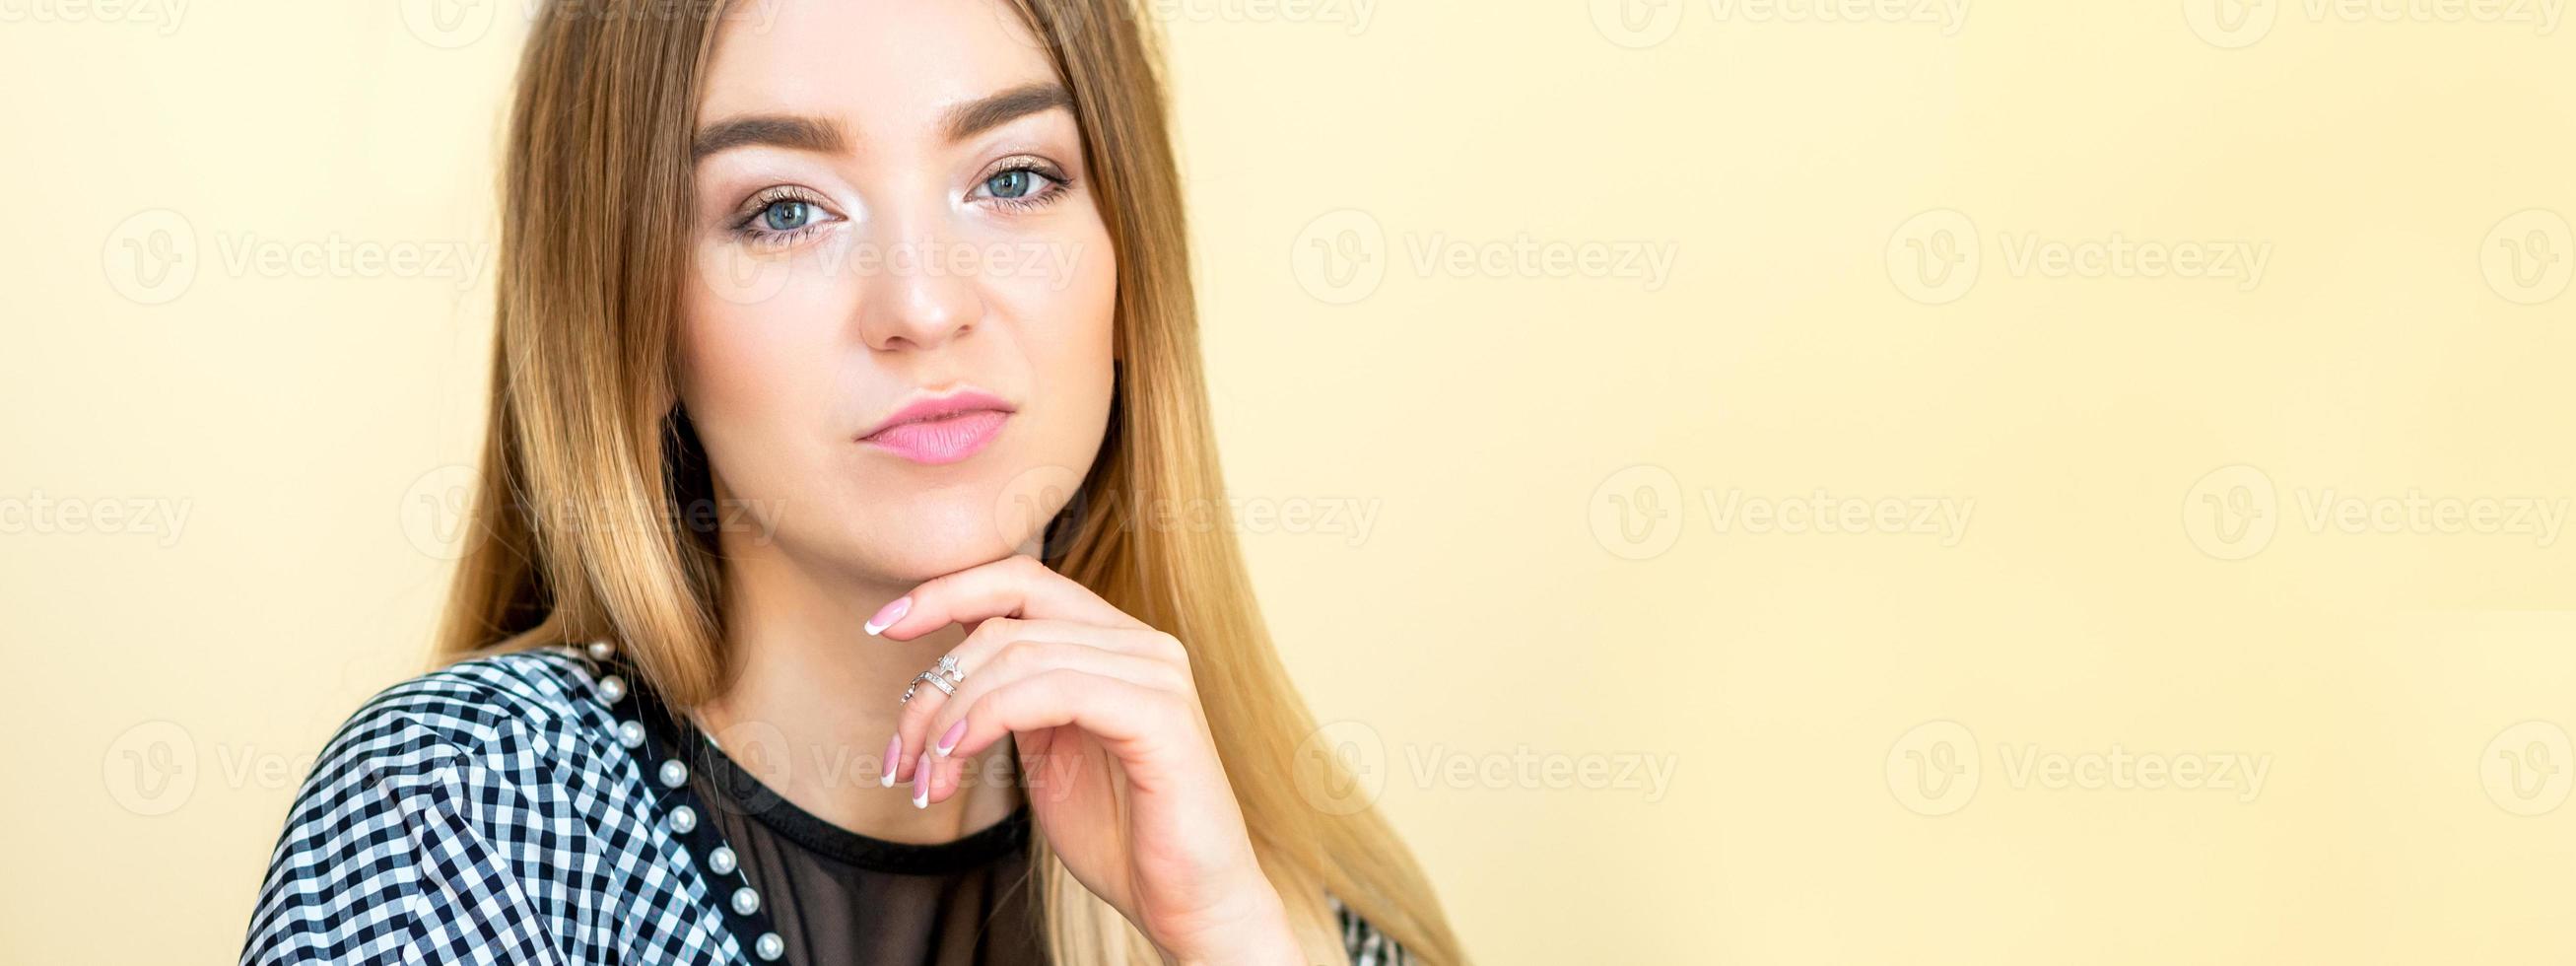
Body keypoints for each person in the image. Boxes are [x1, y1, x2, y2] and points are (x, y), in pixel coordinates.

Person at [237, 1, 1461, 963]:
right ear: (632, 321)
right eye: (783, 211)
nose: (924, 307)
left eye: (1014, 178)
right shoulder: (469, 809)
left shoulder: (1295, 909)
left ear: (1126, 262)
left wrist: (1231, 944)